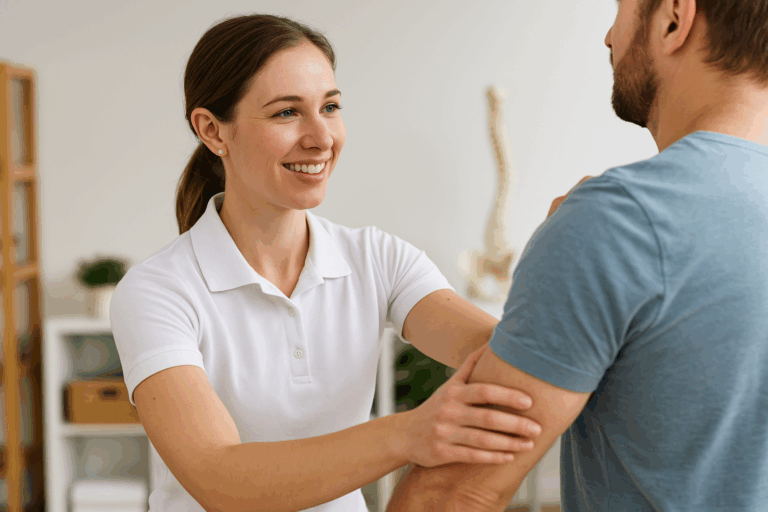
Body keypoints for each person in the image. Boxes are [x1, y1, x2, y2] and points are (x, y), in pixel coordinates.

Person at [109, 14, 547, 512]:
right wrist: (406, 435)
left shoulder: (379, 259)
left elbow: (506, 356)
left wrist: (566, 250)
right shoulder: (157, 290)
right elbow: (218, 478)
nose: (322, 138)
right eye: (285, 113)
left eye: (330, 107)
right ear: (212, 131)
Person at [386, 0, 768, 510]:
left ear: (674, 20)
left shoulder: (620, 221)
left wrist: (575, 240)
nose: (609, 38)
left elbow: (456, 493)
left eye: (621, 10)